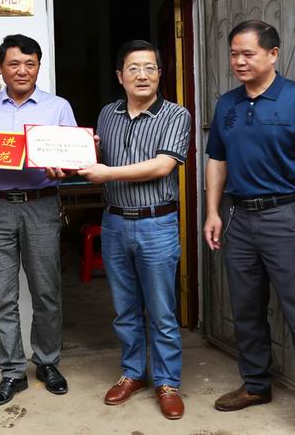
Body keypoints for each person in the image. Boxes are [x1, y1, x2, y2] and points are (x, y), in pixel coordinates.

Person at [203, 20, 295, 435]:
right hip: (239, 219)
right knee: (245, 309)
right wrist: (212, 212)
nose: (239, 61)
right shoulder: (227, 104)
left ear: (273, 54)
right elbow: (217, 161)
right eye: (234, 54)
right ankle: (256, 385)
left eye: (248, 54)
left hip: (285, 217)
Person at [77, 40, 191, 421]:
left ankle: (167, 382)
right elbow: (98, 159)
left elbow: (162, 165)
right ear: (120, 76)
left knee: (161, 309)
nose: (142, 75)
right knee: (124, 308)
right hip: (114, 222)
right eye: (133, 68)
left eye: (149, 68)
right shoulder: (107, 114)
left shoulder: (176, 115)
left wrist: (106, 172)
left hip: (156, 222)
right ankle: (133, 373)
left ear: (160, 74)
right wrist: (83, 153)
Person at [0, 34, 76, 406]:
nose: (22, 71)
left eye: (30, 64)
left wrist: (65, 168)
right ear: (1, 68)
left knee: (46, 291)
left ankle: (47, 362)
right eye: (14, 64)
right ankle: (12, 371)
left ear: (39, 67)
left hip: (41, 204)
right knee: (2, 296)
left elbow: (73, 158)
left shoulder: (58, 107)